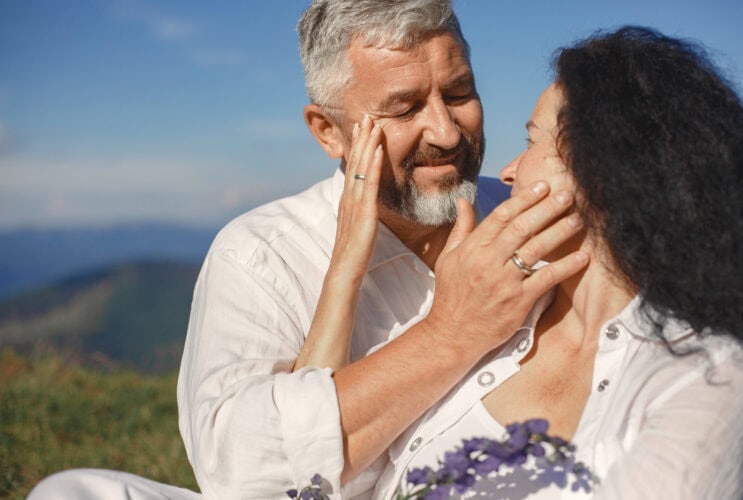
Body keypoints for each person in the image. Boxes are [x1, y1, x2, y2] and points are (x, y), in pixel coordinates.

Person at [27, 1, 588, 499]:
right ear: (328, 131)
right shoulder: (262, 254)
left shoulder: (525, 211)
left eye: (460, 93)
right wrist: (444, 332)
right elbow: (243, 477)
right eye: (404, 109)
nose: (445, 132)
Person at [365, 26, 743, 499]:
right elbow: (326, 468)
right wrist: (349, 277)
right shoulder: (489, 311)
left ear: (605, 172)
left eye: (532, 141)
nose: (507, 172)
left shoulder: (704, 370)